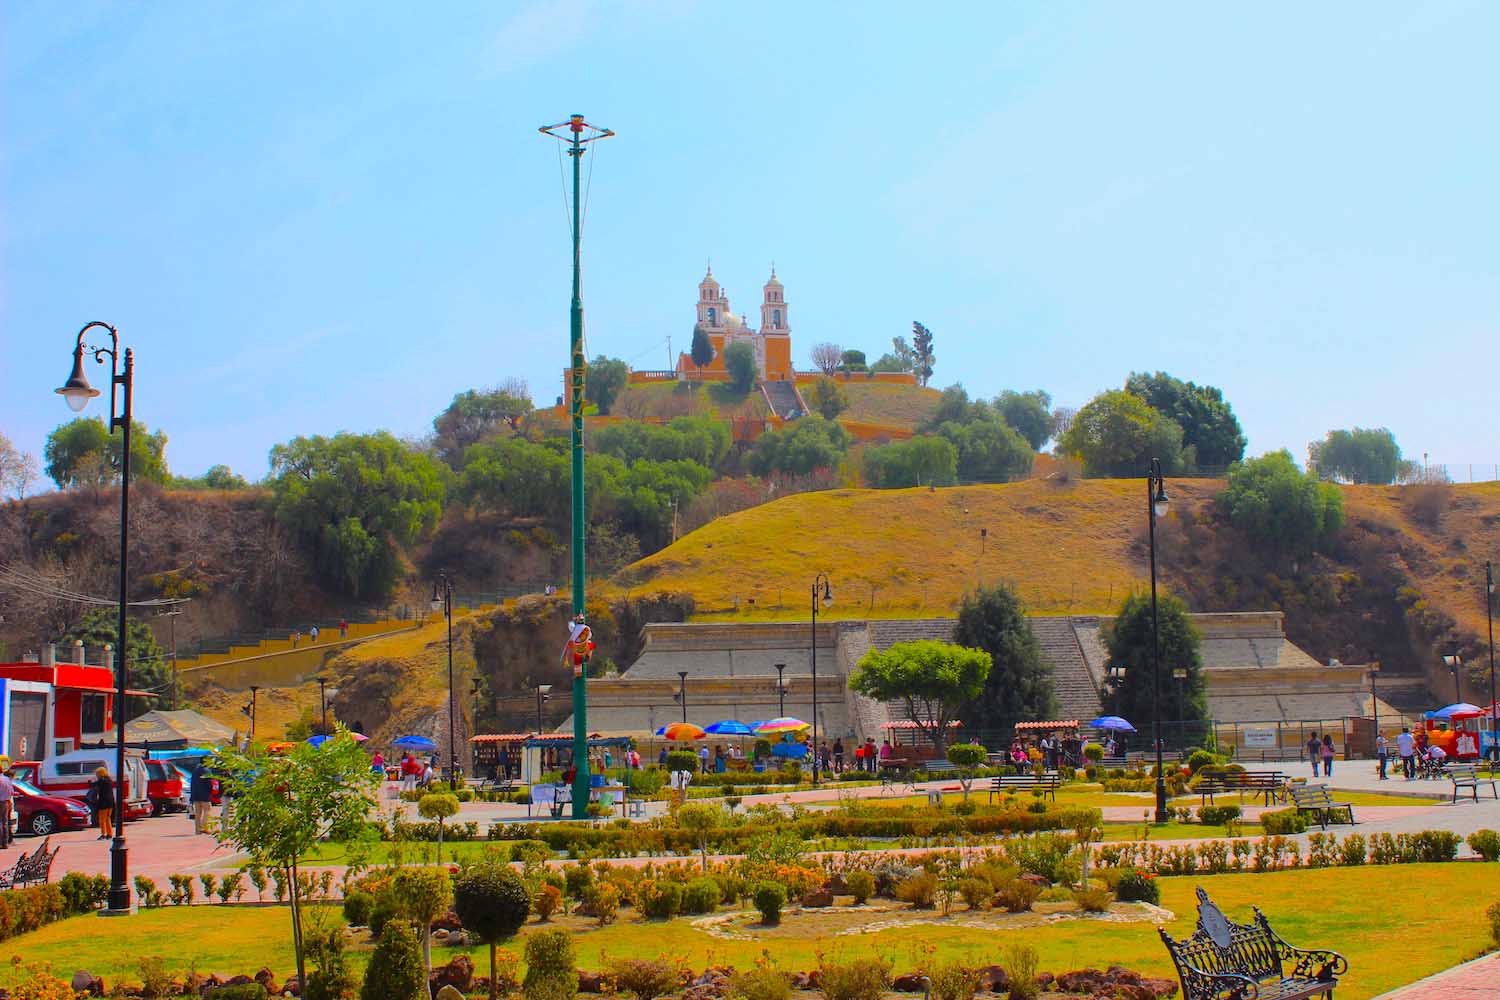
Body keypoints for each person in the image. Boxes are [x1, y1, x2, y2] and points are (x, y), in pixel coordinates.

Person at [90, 766, 115, 841]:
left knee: (102, 819)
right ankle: (109, 834)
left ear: (99, 774)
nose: (96, 775)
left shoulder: (101, 781)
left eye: (97, 774)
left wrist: (90, 782)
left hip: (103, 802)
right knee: (108, 819)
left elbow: (93, 785)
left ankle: (103, 834)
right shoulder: (109, 780)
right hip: (111, 802)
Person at [189, 765, 214, 835]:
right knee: (207, 810)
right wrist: (211, 791)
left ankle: (197, 830)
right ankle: (204, 827)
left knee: (197, 813)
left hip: (195, 795)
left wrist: (192, 796)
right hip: (205, 795)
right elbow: (209, 783)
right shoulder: (207, 771)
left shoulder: (195, 771)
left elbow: (192, 784)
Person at [0, 765, 13, 849]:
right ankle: (5, 843)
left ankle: (0, 842)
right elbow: (12, 791)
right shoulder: (7, 779)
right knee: (5, 823)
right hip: (6, 802)